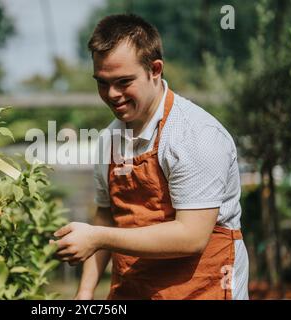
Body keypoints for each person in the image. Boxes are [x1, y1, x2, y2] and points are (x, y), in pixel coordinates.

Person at [52, 14, 249, 300]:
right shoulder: (109, 140)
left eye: (123, 81)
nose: (112, 94)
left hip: (201, 290)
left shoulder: (195, 135)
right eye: (102, 83)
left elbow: (191, 237)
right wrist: (84, 293)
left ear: (155, 69)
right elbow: (107, 215)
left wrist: (96, 237)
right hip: (135, 290)